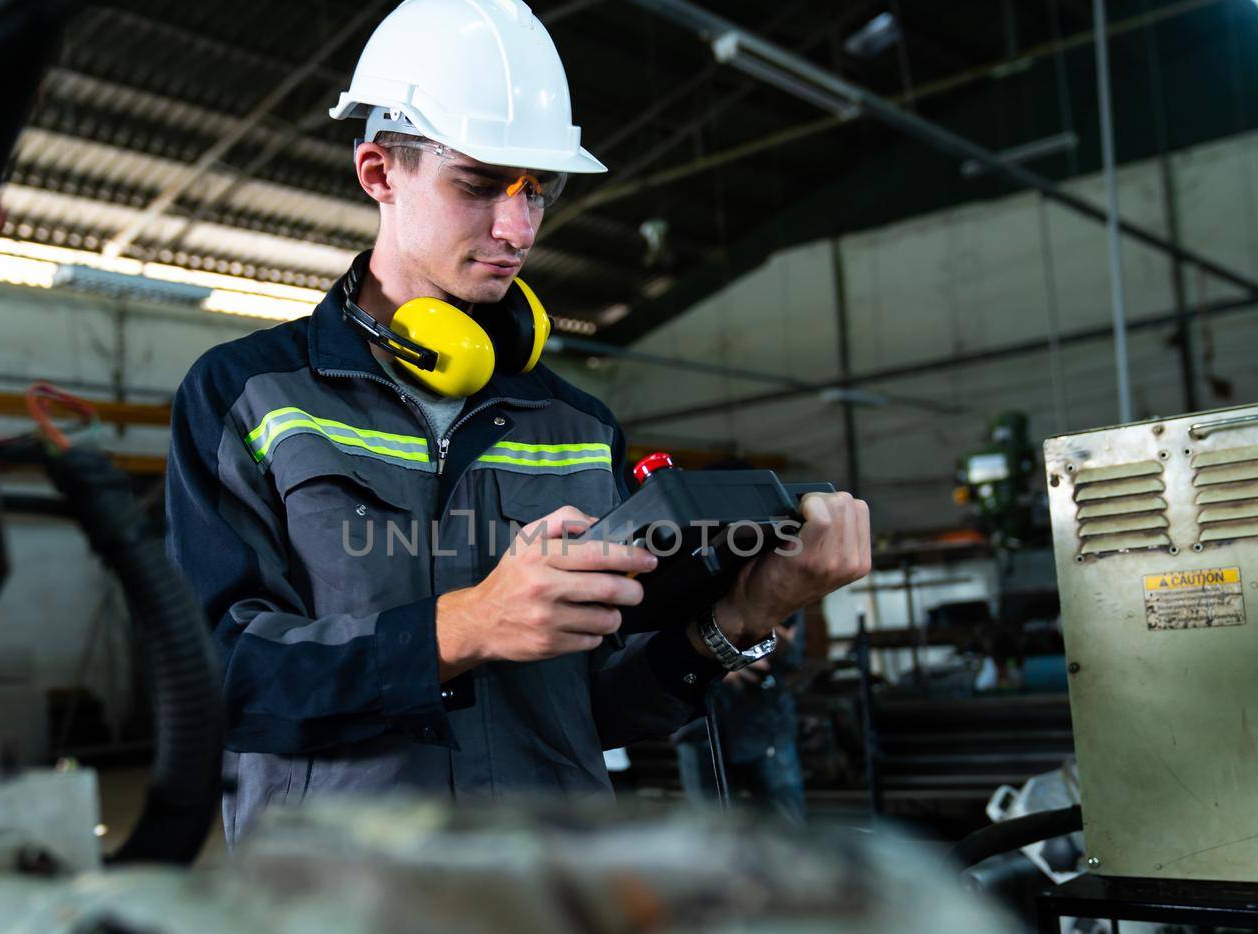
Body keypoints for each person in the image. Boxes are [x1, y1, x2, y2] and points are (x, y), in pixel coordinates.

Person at [164, 0, 871, 842]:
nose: (518, 228)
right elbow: (218, 681)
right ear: (379, 173)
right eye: (477, 183)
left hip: (550, 900)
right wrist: (461, 628)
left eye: (539, 190)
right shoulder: (248, 395)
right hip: (339, 910)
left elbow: (594, 705)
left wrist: (743, 618)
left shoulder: (574, 421)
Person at [674, 614, 808, 827]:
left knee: (786, 826)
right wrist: (723, 668)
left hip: (764, 723)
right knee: (711, 829)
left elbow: (791, 654)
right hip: (699, 728)